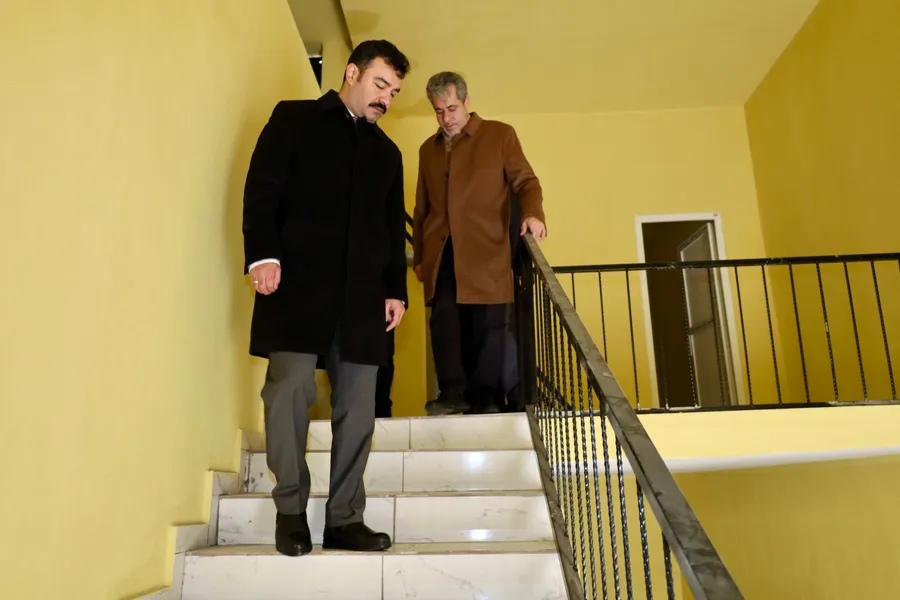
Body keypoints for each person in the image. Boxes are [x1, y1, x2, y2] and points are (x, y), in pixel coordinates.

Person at [242, 40, 410, 557]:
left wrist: (395, 290)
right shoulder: (294, 120)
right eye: (380, 84)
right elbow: (262, 189)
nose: (386, 99)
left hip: (362, 300)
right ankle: (291, 512)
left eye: (394, 92)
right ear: (352, 73)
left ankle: (344, 519)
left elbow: (391, 230)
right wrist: (262, 255)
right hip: (297, 286)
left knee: (358, 407)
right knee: (288, 391)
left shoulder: (388, 154)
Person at [412, 71, 547, 416]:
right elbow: (422, 208)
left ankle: (487, 400)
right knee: (444, 322)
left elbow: (526, 182)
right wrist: (421, 258)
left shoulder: (499, 135)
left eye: (452, 109)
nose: (446, 118)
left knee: (489, 327)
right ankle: (452, 393)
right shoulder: (428, 149)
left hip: (487, 249)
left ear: (467, 102)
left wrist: (533, 215)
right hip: (442, 251)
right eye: (439, 111)